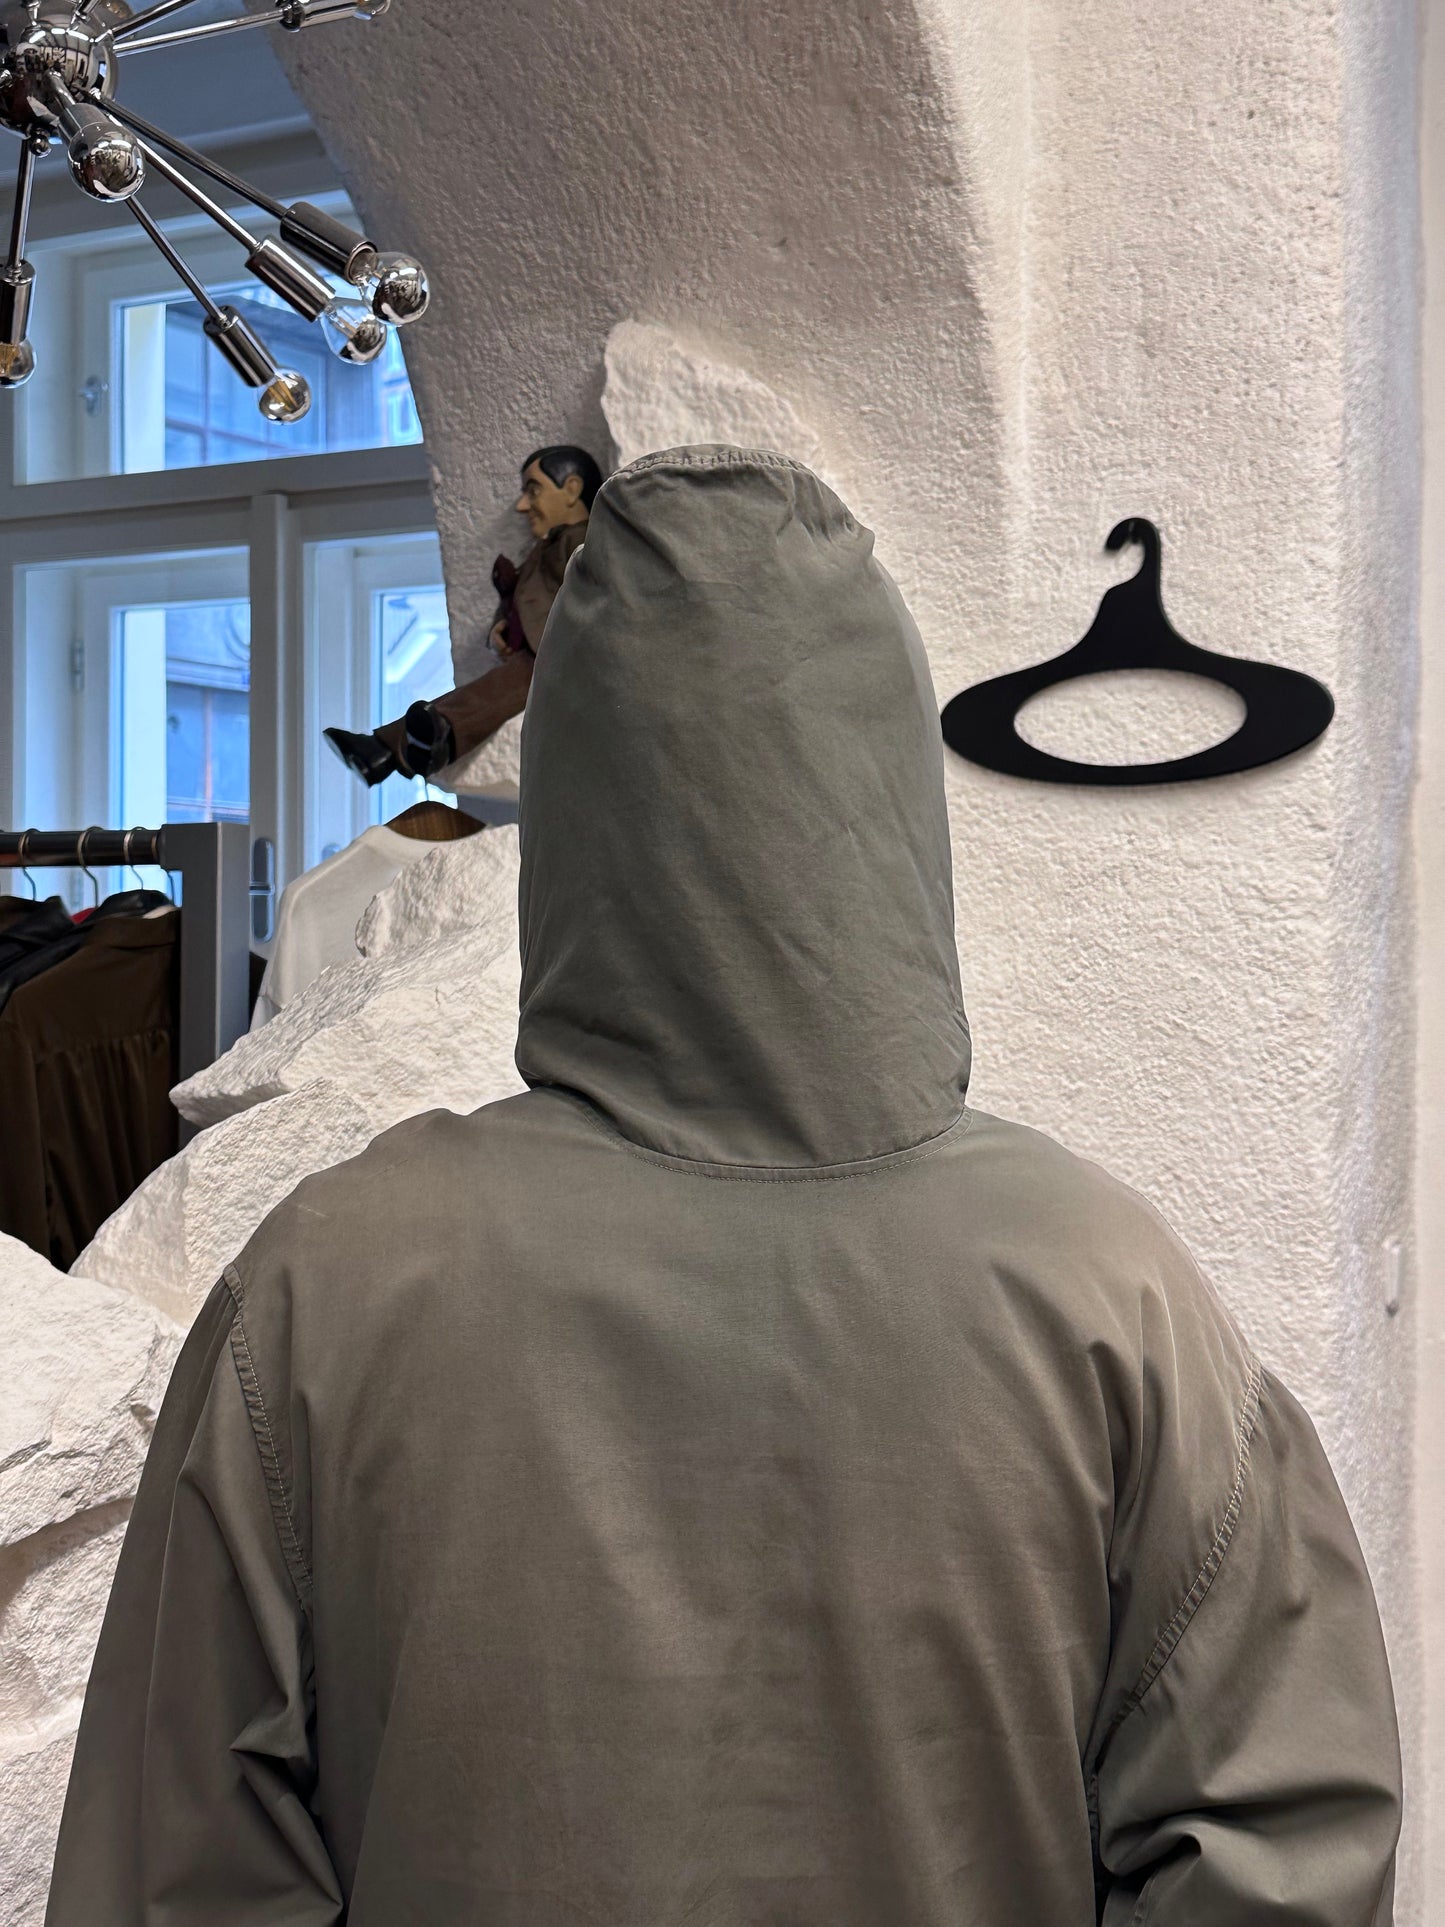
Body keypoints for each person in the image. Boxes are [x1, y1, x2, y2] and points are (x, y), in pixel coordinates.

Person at [46, 445, 1401, 1925]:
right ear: (893, 800)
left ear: (575, 811)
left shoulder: (327, 1285)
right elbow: (1279, 1853)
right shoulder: (1110, 1292)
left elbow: (174, 1872)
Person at [323, 442, 602, 786]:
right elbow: (527, 595)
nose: (522, 505)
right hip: (537, 651)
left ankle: (430, 740)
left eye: (533, 491)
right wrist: (502, 624)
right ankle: (381, 751)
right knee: (477, 691)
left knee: (491, 692)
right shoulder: (545, 547)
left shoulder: (582, 543)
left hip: (560, 656)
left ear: (572, 489)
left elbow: (589, 599)